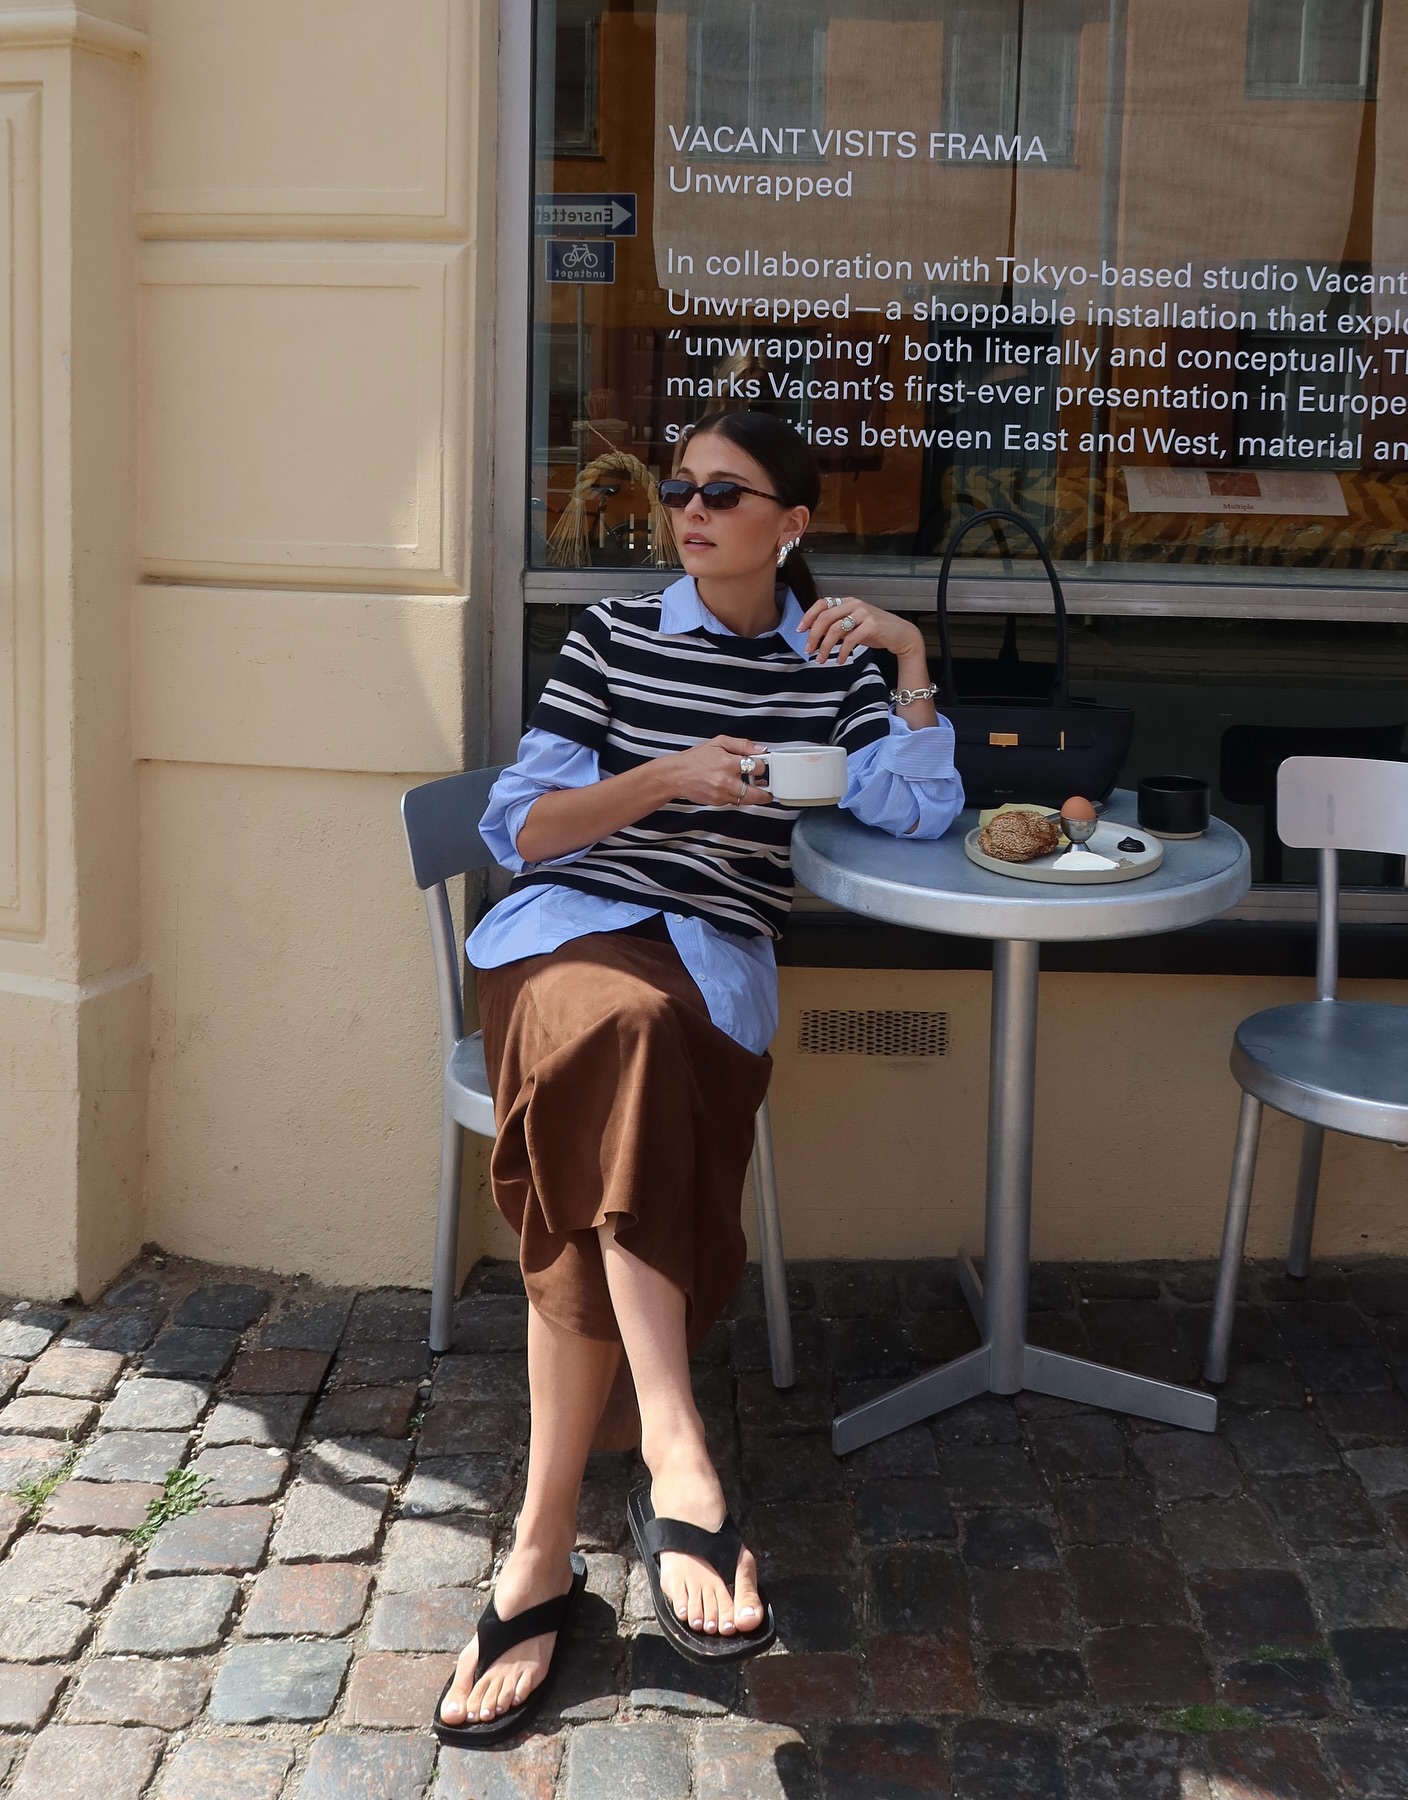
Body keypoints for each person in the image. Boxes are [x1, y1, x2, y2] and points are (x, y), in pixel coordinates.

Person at [436, 410, 962, 1746]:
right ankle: (676, 1449)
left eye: (726, 493)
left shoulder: (828, 667)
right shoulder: (613, 636)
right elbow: (519, 825)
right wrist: (667, 777)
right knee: (618, 1035)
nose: (692, 509)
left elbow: (919, 809)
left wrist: (907, 658)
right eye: (681, 489)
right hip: (564, 940)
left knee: (628, 1071)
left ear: (793, 524)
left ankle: (539, 1551)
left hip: (708, 964)